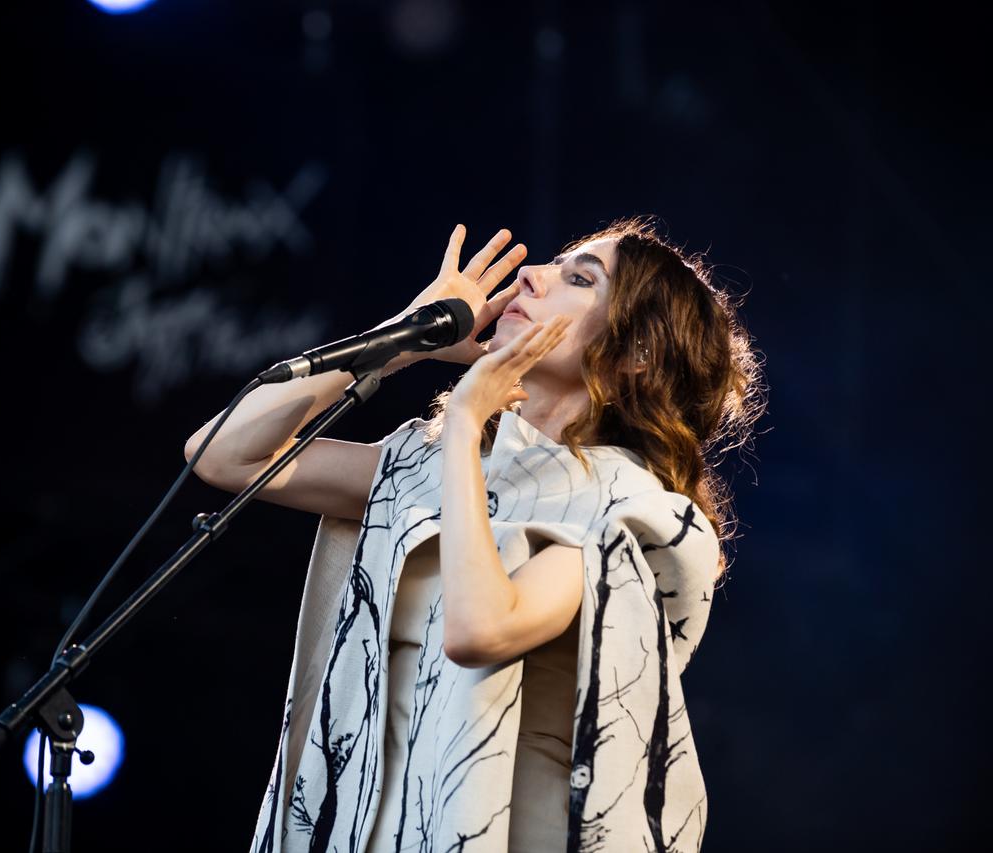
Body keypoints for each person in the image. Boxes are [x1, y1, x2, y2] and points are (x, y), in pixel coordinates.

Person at [185, 215, 765, 852]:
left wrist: (465, 421)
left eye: (579, 278)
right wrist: (402, 342)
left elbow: (482, 629)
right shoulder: (428, 468)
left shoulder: (633, 508)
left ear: (636, 354)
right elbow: (221, 455)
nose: (530, 275)